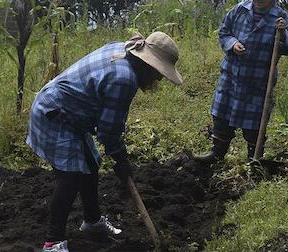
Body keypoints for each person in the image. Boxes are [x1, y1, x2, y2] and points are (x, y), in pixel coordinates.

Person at [26, 31, 182, 252]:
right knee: (69, 178)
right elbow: (108, 132)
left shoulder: (125, 49)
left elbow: (107, 126)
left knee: (90, 165)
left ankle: (92, 221)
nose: (158, 79)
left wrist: (119, 157)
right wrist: (121, 159)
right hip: (54, 114)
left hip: (70, 114)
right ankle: (53, 243)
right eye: (159, 74)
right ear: (150, 66)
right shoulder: (124, 79)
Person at [194, 0, 288, 164]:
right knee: (221, 116)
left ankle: (254, 158)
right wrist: (232, 44)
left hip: (258, 82)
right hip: (232, 76)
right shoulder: (239, 10)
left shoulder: (281, 19)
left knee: (254, 124)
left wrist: (282, 35)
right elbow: (224, 33)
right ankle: (217, 154)